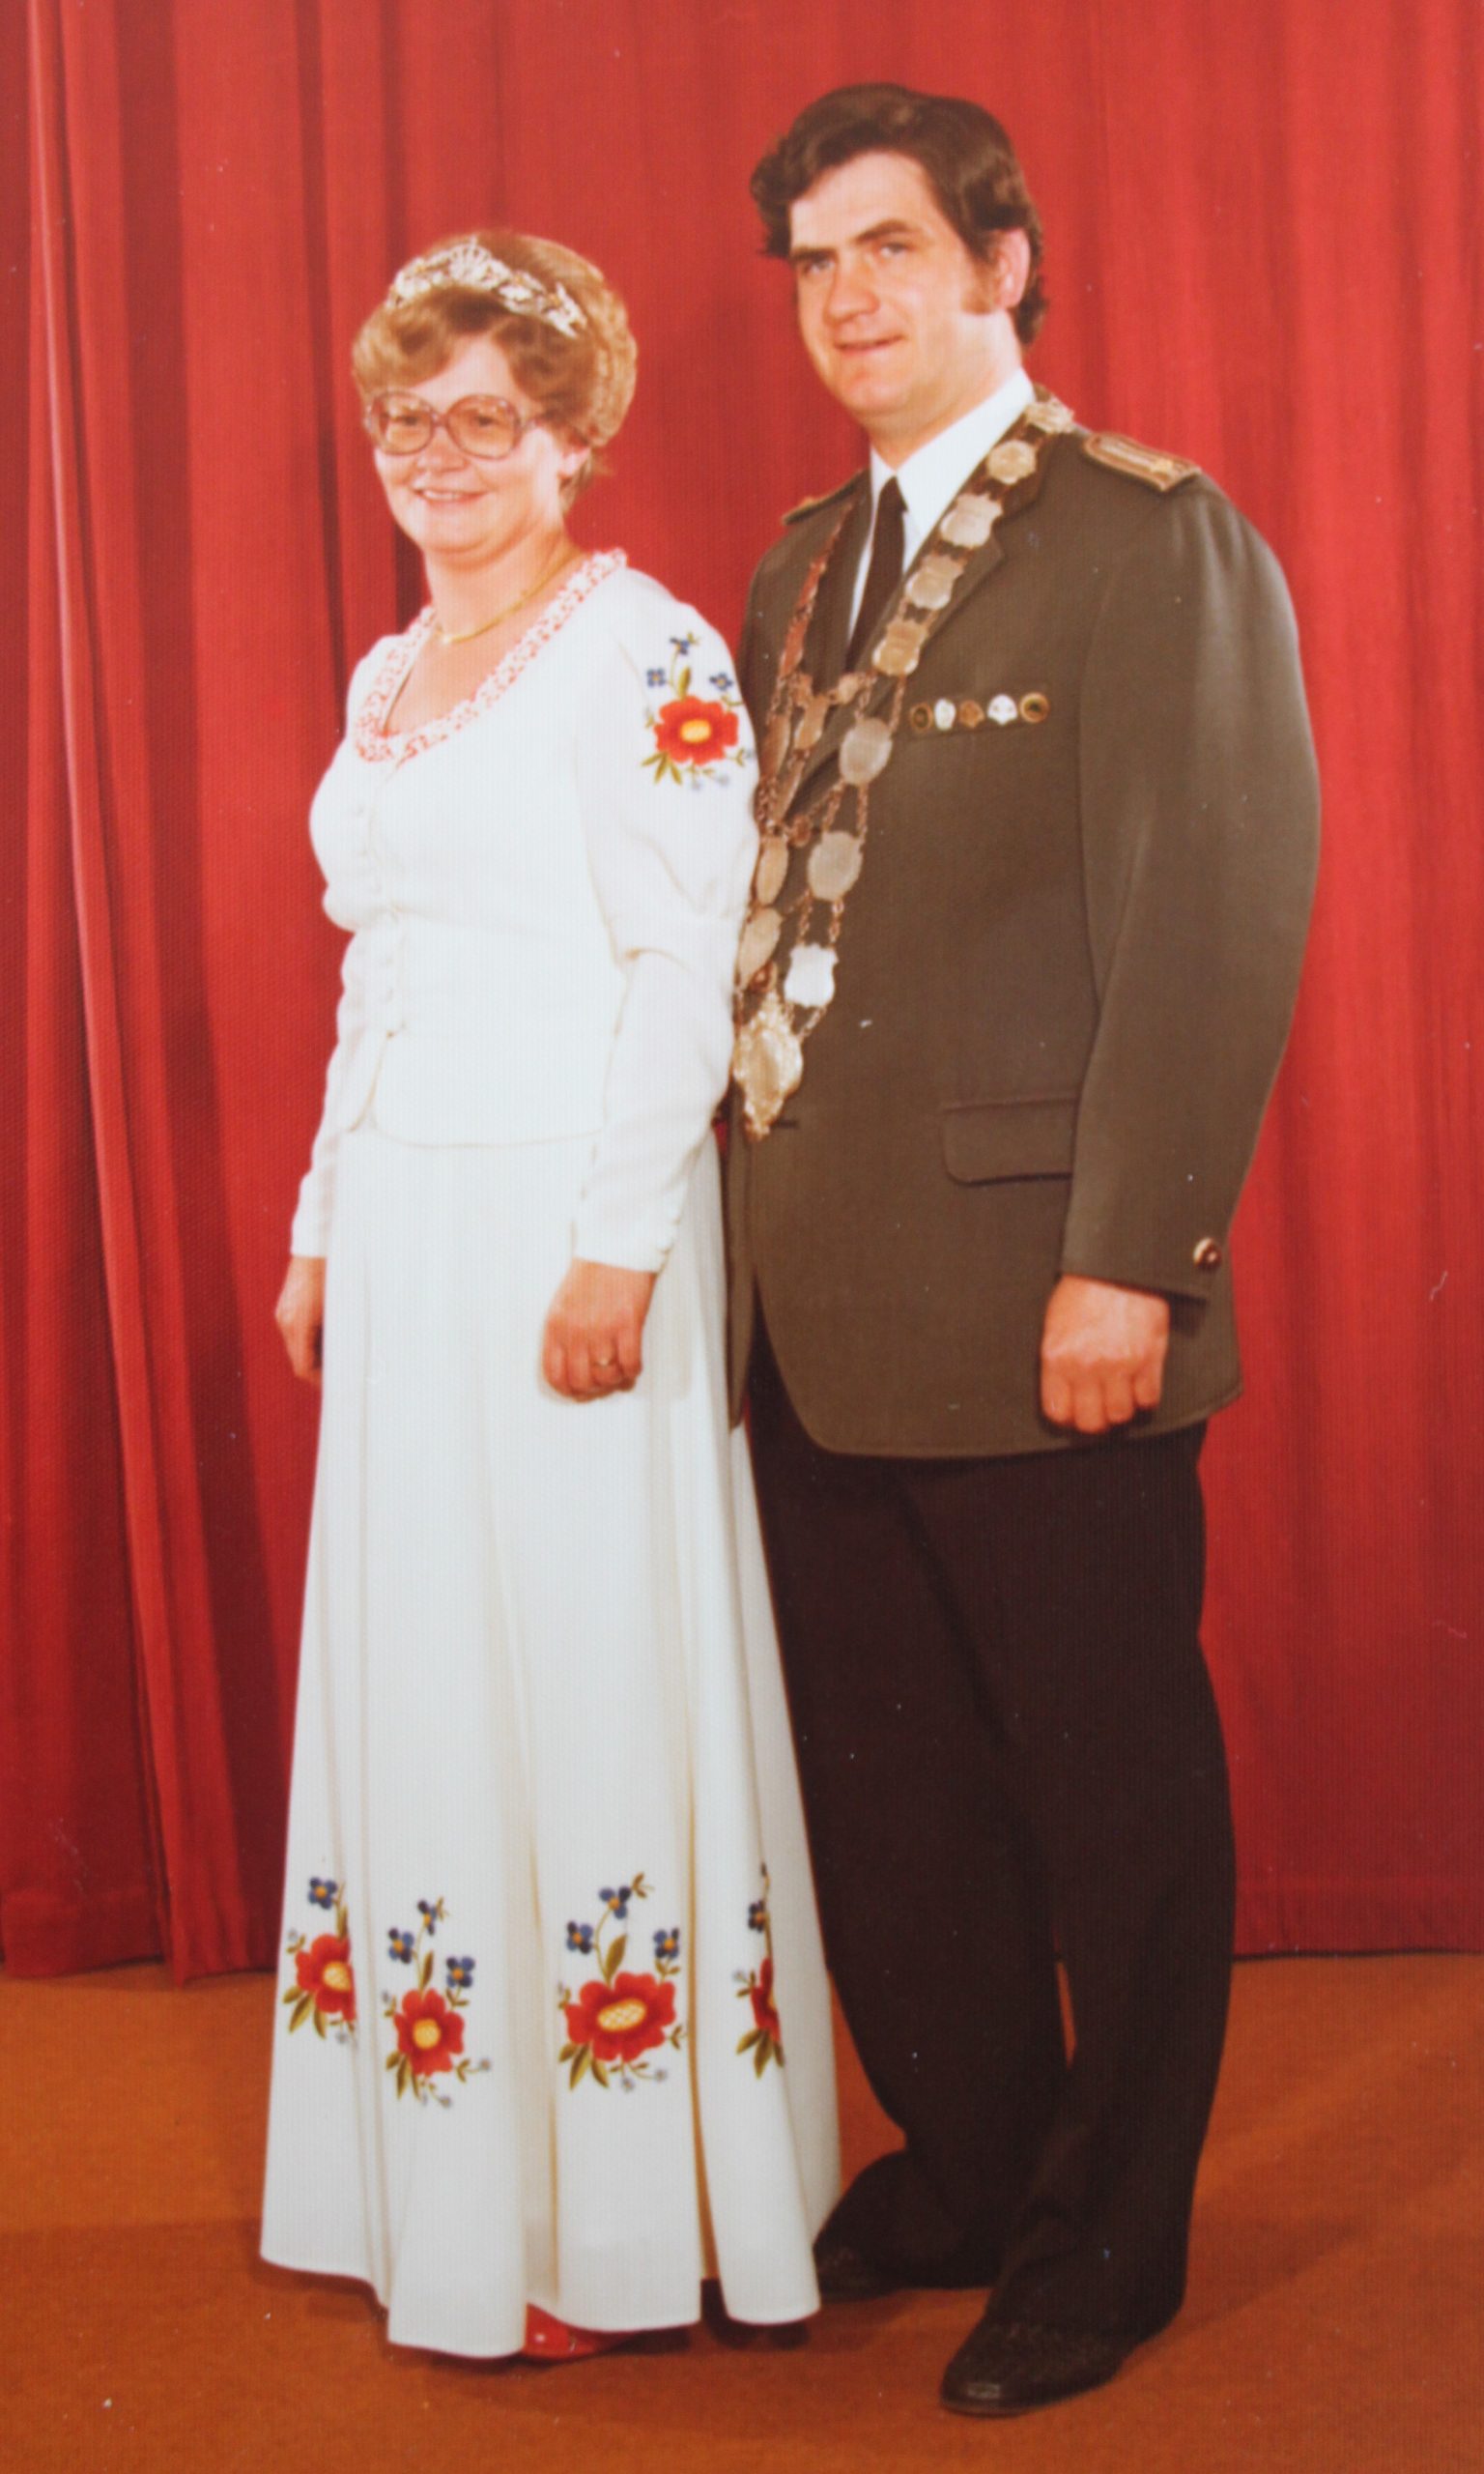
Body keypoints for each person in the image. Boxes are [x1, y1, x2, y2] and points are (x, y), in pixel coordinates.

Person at [726, 87, 1319, 2416]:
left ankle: (1104, 2232)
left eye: (888, 246)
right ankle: (974, 2163)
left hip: (1038, 1288)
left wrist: (1131, 1258)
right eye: (812, 261)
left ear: (999, 263)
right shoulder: (798, 566)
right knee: (889, 1792)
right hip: (817, 1298)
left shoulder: (1141, 538)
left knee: (1104, 1789)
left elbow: (1207, 915)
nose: (846, 296)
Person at [261, 230, 839, 2362]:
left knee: (579, 1673)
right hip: (414, 1230)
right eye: (407, 423)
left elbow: (687, 958)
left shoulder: (642, 648)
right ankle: (446, 2181)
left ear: (572, 437)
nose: (439, 459)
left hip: (571, 1229)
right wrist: (324, 1219)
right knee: (431, 1670)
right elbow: (380, 966)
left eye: (484, 421)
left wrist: (620, 1241)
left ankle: (616, 2217)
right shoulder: (387, 676)